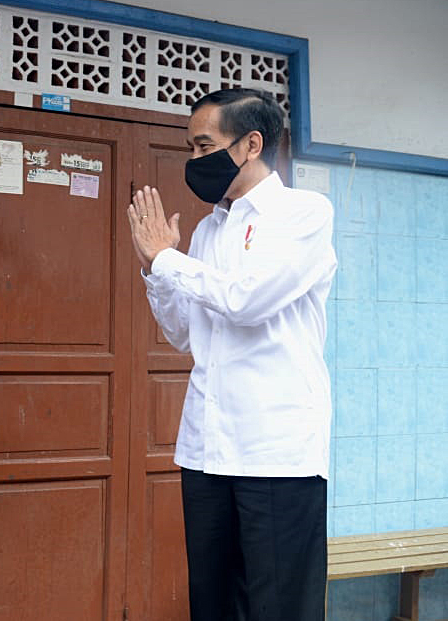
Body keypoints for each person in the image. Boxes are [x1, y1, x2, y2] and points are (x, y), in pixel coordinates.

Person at [126, 89, 337, 621]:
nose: (193, 162)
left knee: (278, 608)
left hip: (277, 452)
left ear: (251, 144)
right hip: (206, 449)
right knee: (214, 604)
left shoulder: (304, 213)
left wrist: (169, 261)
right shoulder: (208, 229)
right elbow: (186, 335)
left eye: (204, 146)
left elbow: (247, 300)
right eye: (190, 149)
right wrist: (156, 271)